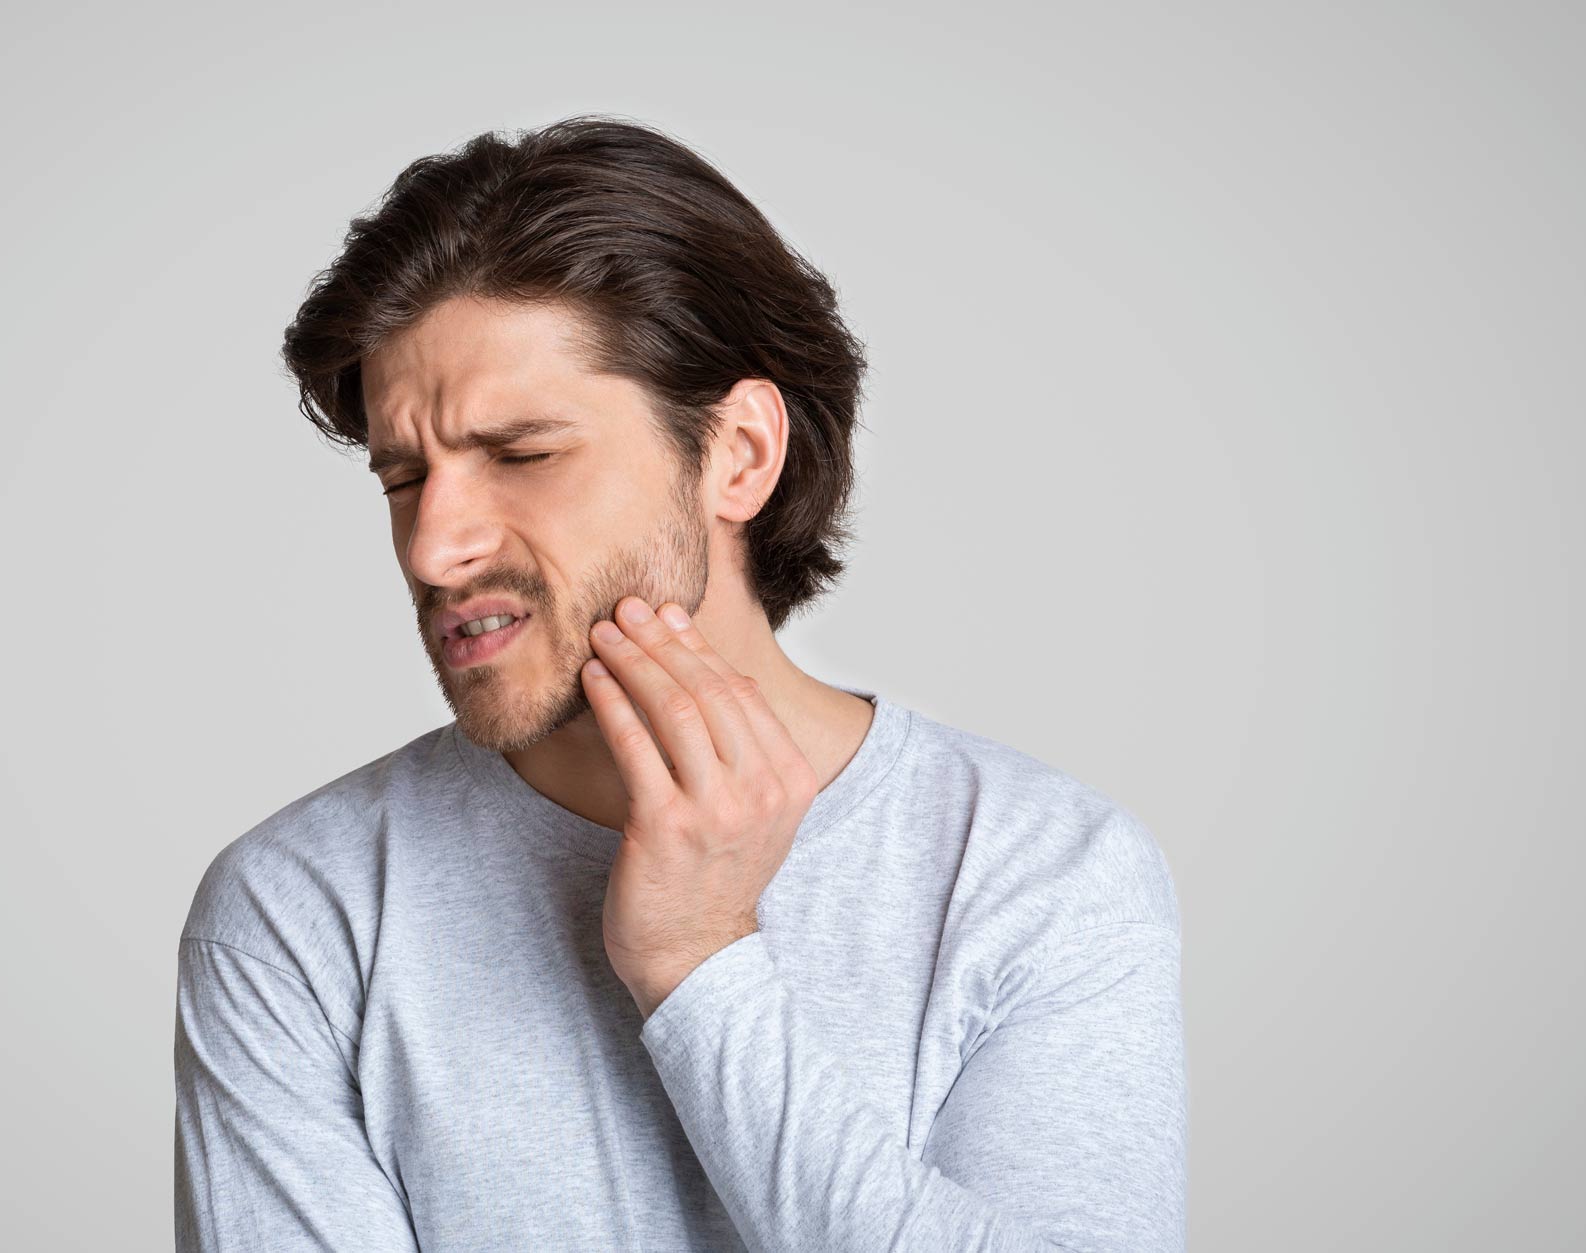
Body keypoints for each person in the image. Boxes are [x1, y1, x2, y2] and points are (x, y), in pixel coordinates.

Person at [173, 115, 1186, 1252]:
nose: (432, 545)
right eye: (404, 476)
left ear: (738, 453)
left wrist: (698, 963)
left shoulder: (1033, 871)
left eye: (520, 453)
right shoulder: (300, 910)